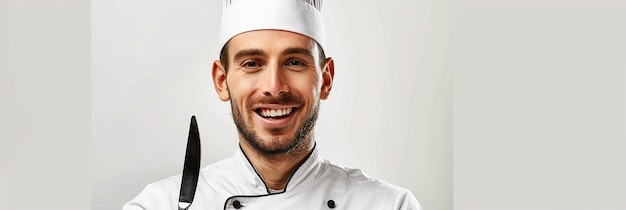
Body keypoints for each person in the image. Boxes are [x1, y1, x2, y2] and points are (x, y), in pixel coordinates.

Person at [123, 0, 421, 209]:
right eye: (252, 63)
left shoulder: (389, 205)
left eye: (294, 62)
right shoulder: (158, 205)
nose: (274, 87)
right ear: (222, 81)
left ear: (326, 79)